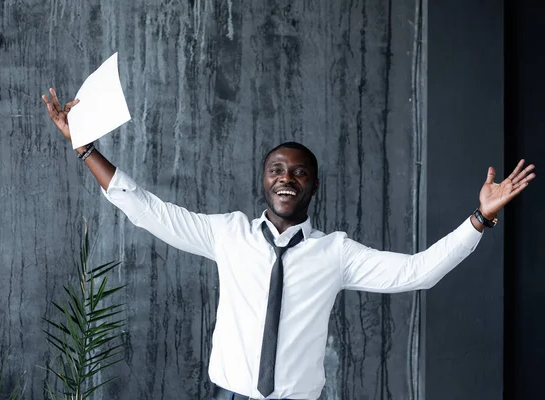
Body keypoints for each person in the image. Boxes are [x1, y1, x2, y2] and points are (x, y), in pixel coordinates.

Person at [43, 88, 535, 400]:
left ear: (312, 186)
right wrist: (85, 147)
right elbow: (147, 208)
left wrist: (479, 218)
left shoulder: (336, 254)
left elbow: (417, 272)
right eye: (277, 170)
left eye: (299, 172)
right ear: (264, 181)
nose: (287, 178)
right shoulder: (227, 234)